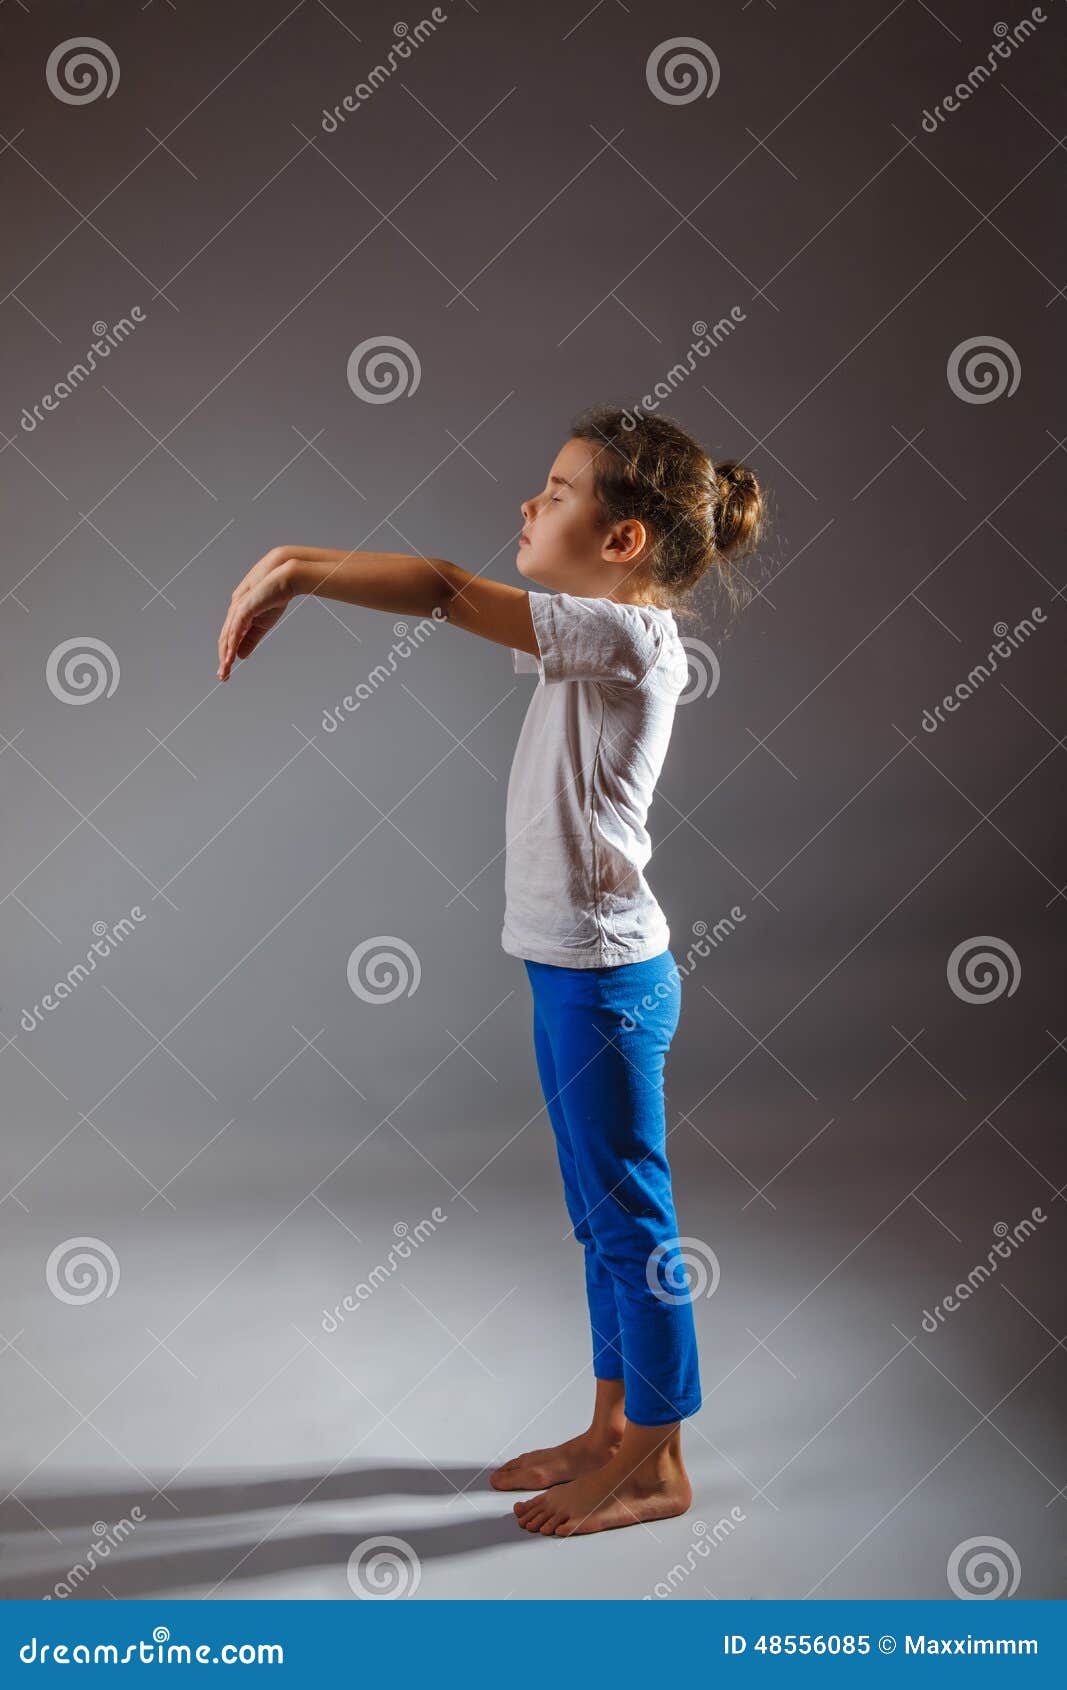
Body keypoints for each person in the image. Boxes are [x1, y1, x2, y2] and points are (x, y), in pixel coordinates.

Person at [216, 403, 763, 1536]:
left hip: (607, 982)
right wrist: (293, 567)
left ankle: (659, 1462)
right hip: (570, 972)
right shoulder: (588, 626)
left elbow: (437, 589)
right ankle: (613, 1424)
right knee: (596, 1215)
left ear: (623, 542)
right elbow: (468, 596)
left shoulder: (629, 636)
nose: (530, 503)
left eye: (558, 492)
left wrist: (296, 568)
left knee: (630, 1222)